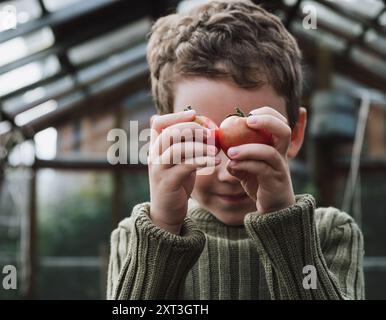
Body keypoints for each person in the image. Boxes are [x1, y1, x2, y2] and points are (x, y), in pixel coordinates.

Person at [107, 0, 364, 299]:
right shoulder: (137, 238)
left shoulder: (331, 233)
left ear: (294, 133)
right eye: (200, 142)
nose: (230, 173)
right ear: (165, 137)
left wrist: (284, 224)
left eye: (252, 140)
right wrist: (163, 226)